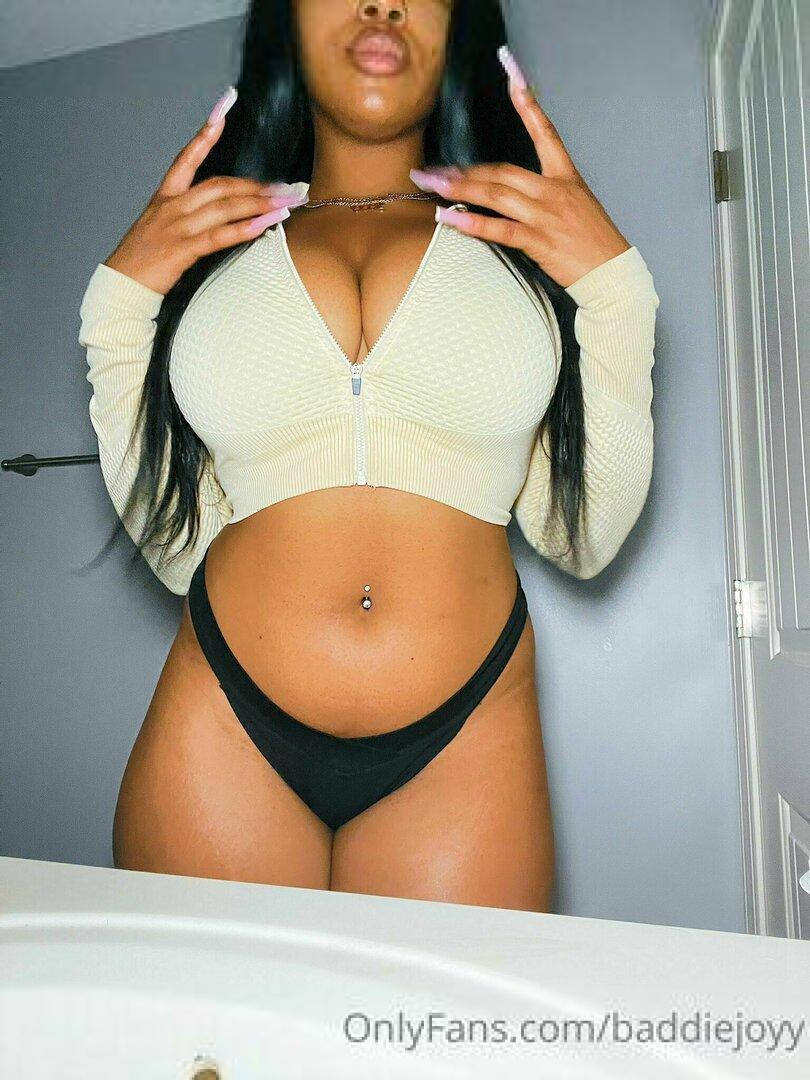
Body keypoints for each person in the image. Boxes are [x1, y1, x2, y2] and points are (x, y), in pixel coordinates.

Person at [78, 0, 659, 912]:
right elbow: (180, 549)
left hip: (465, 734)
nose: (382, 5)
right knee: (212, 1010)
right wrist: (117, 311)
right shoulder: (214, 252)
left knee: (439, 1012)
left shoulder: (524, 258)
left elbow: (581, 538)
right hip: (224, 717)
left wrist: (618, 295)